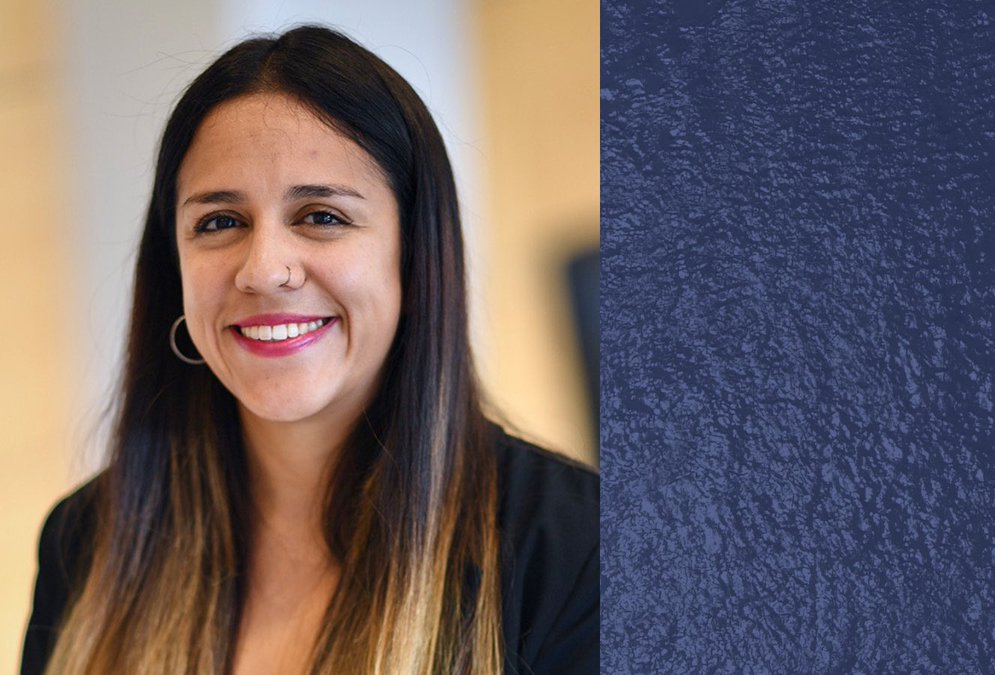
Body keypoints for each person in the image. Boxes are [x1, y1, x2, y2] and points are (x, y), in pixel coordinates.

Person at [20, 25, 598, 675]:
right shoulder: (85, 541)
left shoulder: (579, 550)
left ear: (414, 257)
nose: (264, 270)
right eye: (220, 222)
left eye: (322, 216)